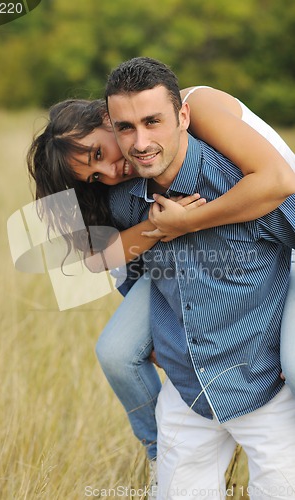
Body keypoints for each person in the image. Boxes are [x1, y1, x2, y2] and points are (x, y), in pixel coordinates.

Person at [27, 81, 295, 494]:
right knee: (116, 351)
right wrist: (166, 325)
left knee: (290, 363)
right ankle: (164, 454)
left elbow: (277, 182)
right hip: (178, 246)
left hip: (269, 219)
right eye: (94, 175)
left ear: (109, 119)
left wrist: (186, 222)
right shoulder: (123, 190)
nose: (111, 171)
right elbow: (106, 261)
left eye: (100, 154)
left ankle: (269, 435)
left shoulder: (196, 109)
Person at [104, 57, 295, 498]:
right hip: (187, 395)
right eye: (126, 127)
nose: (141, 141)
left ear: (183, 116)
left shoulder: (247, 185)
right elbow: (124, 271)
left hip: (264, 388)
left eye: (153, 121)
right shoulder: (126, 202)